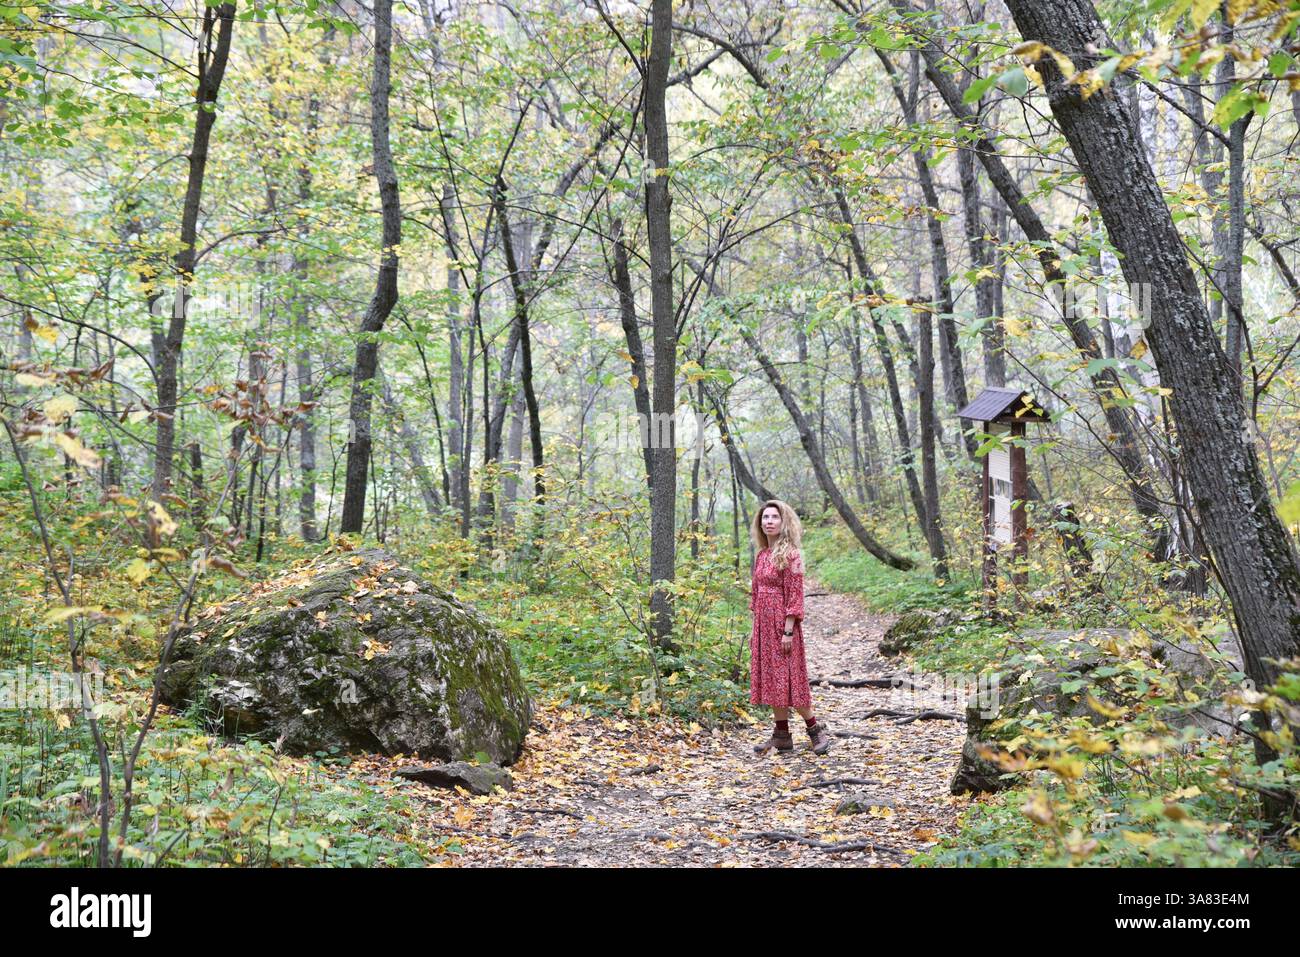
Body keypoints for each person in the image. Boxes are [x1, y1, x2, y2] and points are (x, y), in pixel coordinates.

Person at [748, 499, 831, 755]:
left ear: (784, 522)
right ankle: (781, 735)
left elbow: (795, 596)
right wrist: (756, 631)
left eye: (774, 517)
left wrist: (787, 630)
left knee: (791, 678)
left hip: (784, 626)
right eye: (765, 518)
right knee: (772, 679)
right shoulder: (761, 555)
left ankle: (816, 730)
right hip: (763, 625)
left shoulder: (792, 555)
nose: (769, 521)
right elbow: (756, 593)